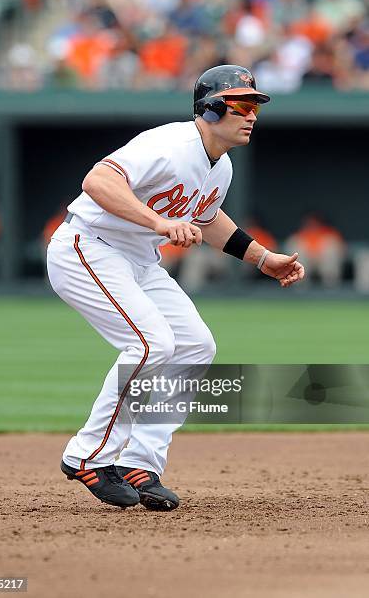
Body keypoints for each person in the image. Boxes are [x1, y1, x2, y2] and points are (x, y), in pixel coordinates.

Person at [46, 64, 305, 512]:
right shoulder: (169, 144)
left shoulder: (219, 166)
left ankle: (139, 464)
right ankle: (87, 455)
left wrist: (263, 257)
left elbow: (208, 219)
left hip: (138, 259)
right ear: (210, 108)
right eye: (242, 104)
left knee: (194, 346)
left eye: (255, 106)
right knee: (151, 345)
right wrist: (159, 222)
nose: (252, 114)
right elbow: (98, 181)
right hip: (87, 246)